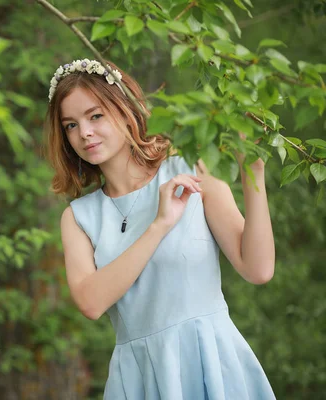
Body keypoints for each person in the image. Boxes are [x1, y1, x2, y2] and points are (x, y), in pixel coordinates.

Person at [45, 59, 276, 399]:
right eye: (70, 125)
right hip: (138, 380)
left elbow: (258, 270)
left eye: (95, 116)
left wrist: (253, 172)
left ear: (124, 110)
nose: (85, 133)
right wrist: (160, 225)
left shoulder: (190, 172)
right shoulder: (79, 217)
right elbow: (91, 303)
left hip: (211, 361)